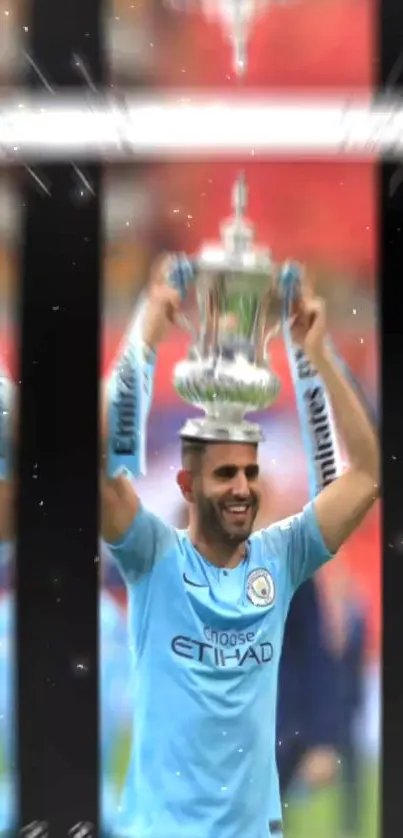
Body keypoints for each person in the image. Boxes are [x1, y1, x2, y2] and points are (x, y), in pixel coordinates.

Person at [101, 265, 379, 838]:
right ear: (186, 485)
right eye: (225, 473)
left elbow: (370, 473)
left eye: (250, 472)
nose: (242, 487)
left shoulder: (283, 556)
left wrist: (317, 355)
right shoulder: (153, 557)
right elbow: (96, 466)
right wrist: (148, 332)